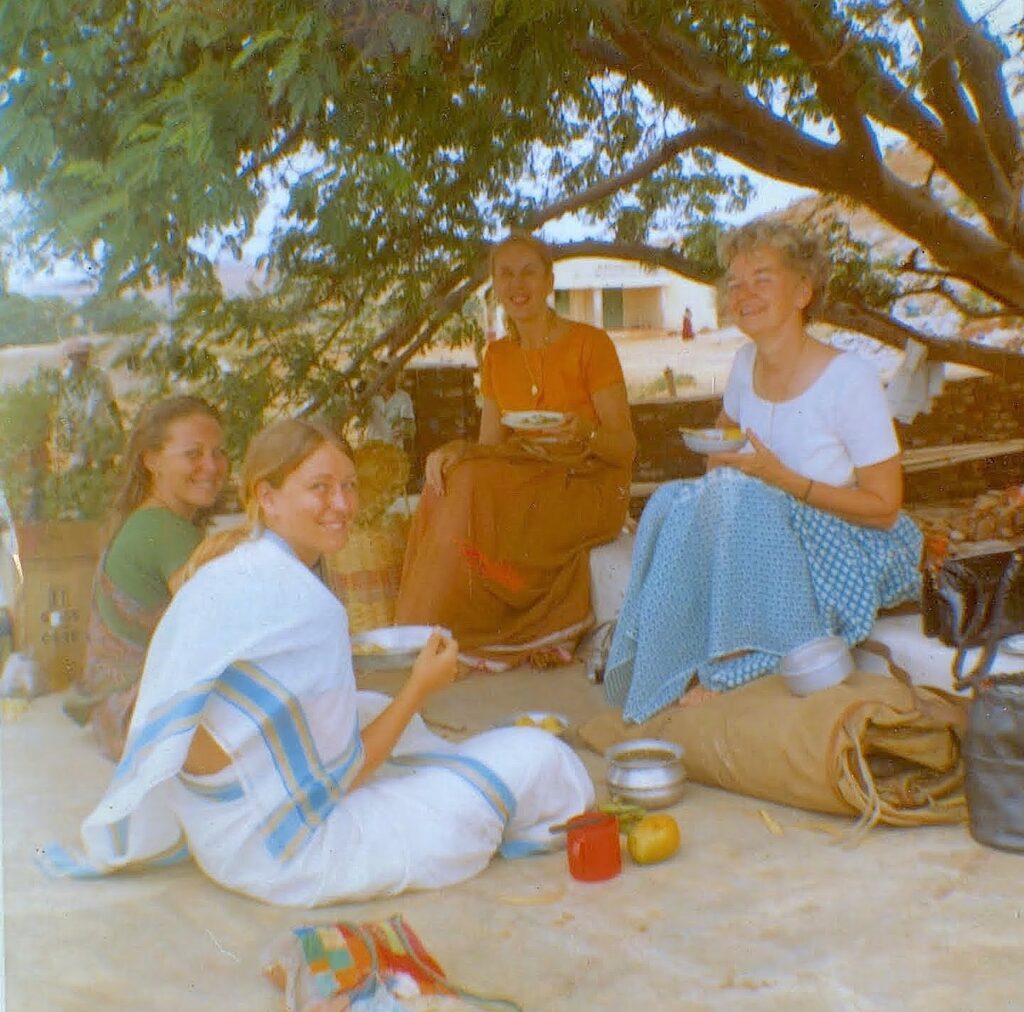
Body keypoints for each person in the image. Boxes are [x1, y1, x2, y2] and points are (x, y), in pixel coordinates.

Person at [41, 419, 593, 907]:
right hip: (288, 855)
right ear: (268, 496)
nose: (342, 504)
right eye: (319, 487)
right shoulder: (308, 606)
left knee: (365, 705)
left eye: (348, 486)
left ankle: (439, 768)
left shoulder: (232, 564)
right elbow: (344, 776)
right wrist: (420, 688)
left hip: (216, 828)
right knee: (541, 757)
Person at [604, 219, 923, 722]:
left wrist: (779, 480)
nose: (743, 294)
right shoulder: (744, 362)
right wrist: (718, 479)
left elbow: (884, 509)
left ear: (802, 291)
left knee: (739, 496)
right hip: (764, 534)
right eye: (734, 283)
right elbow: (724, 437)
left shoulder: (850, 377)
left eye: (762, 279)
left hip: (849, 544)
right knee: (672, 499)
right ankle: (669, 652)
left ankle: (740, 662)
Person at [395, 234, 637, 669]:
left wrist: (585, 434)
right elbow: (491, 449)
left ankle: (460, 635)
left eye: (529, 272)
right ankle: (432, 631)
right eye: (505, 274)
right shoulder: (498, 355)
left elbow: (624, 449)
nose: (517, 284)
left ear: (549, 282)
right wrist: (454, 452)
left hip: (591, 483)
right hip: (530, 478)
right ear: (495, 284)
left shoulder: (590, 343)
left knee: (472, 483)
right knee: (448, 480)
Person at [63, 396, 229, 760]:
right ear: (151, 460)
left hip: (113, 714)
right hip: (141, 721)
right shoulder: (164, 530)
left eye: (219, 452)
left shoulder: (146, 519)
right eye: (193, 454)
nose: (211, 466)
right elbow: (221, 632)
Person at [51, 338, 124, 476]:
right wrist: (65, 434)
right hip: (77, 431)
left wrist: (120, 429)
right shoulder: (62, 380)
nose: (83, 359)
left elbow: (111, 403)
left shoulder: (100, 376)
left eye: (85, 355)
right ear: (71, 357)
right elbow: (61, 412)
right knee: (81, 469)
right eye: (79, 356)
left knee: (106, 467)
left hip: (101, 428)